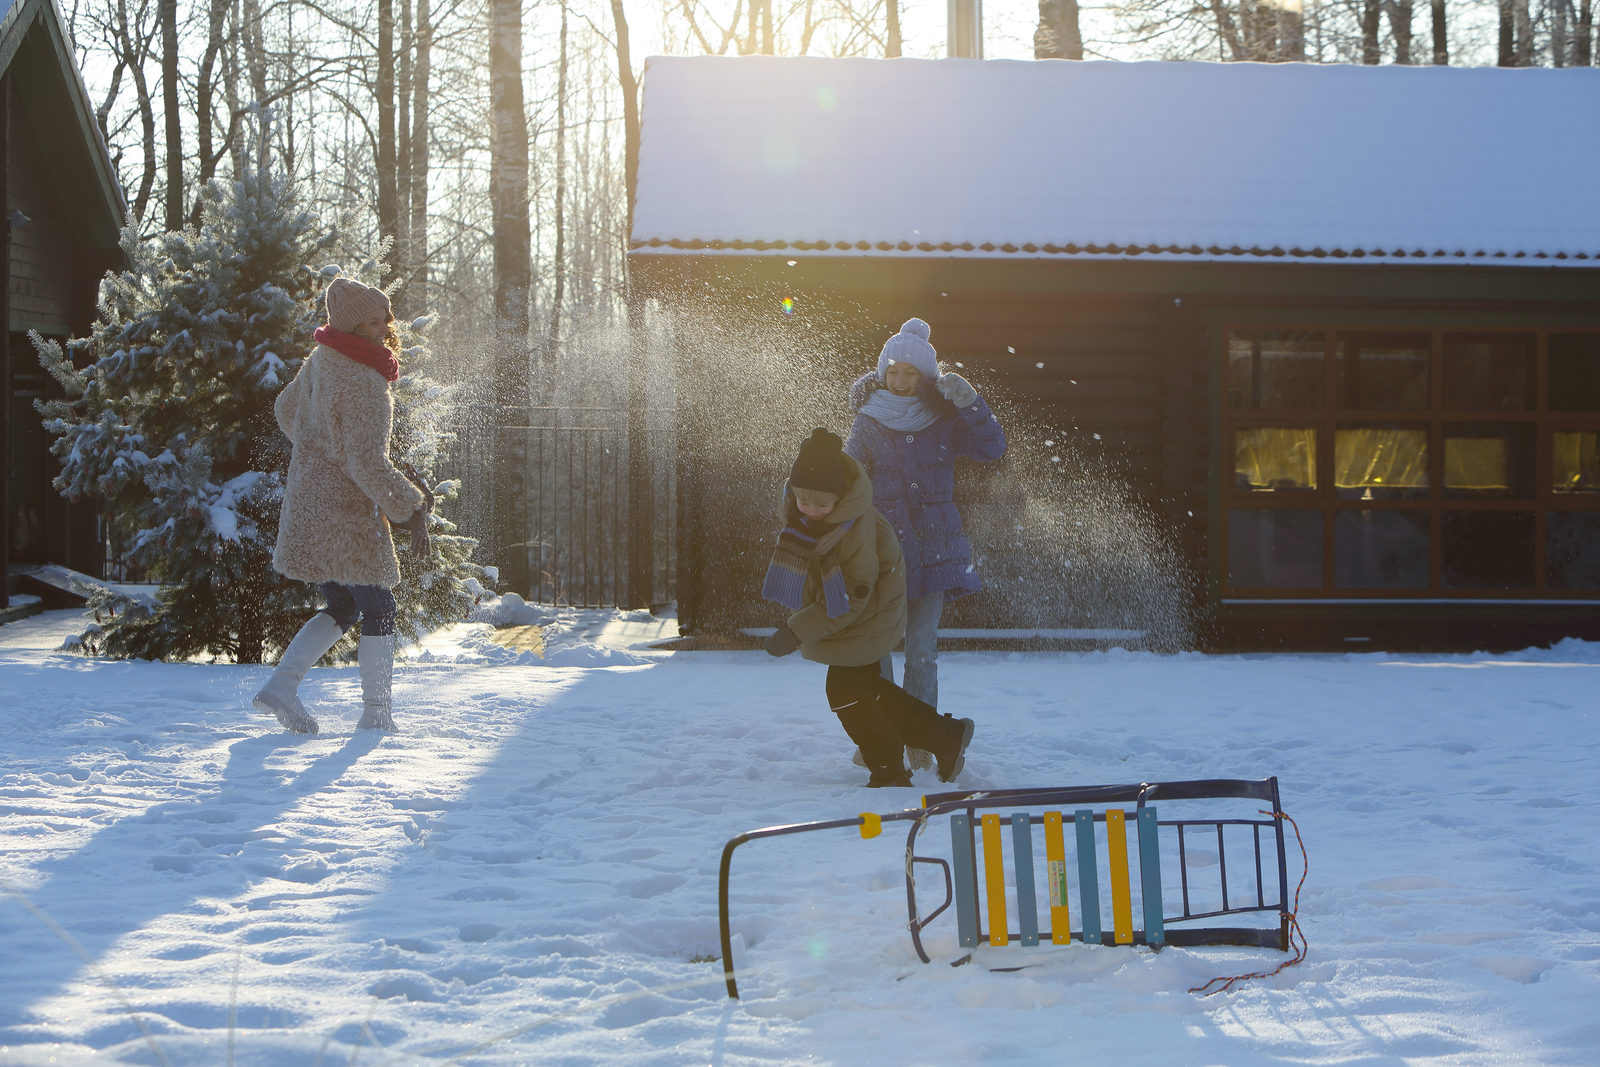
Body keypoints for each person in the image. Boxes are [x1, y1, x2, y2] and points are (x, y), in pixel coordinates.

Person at [252, 277, 431, 735]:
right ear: (352, 325)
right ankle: (375, 715)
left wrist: (318, 454)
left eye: (383, 320)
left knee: (345, 605)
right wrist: (408, 507)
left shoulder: (323, 359)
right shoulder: (363, 379)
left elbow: (286, 409)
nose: (381, 329)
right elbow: (364, 460)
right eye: (372, 321)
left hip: (312, 504)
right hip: (347, 516)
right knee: (380, 607)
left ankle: (282, 687)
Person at [762, 427, 975, 787]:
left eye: (820, 503)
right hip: (859, 613)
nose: (810, 510)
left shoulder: (852, 531)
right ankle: (945, 736)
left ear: (840, 496)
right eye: (803, 500)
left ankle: (889, 769)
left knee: (845, 693)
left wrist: (795, 631)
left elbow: (848, 602)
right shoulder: (819, 520)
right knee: (869, 690)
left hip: (867, 615)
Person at [844, 317, 1006, 766]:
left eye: (909, 373)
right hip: (883, 552)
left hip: (935, 548)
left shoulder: (945, 419)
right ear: (882, 372)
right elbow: (848, 475)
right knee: (877, 651)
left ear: (924, 377)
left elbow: (993, 448)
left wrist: (972, 403)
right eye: (893, 371)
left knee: (921, 652)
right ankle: (882, 737)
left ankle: (921, 742)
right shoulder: (868, 420)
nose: (899, 381)